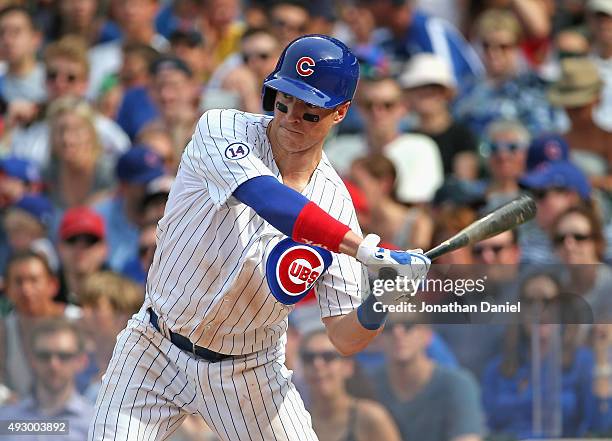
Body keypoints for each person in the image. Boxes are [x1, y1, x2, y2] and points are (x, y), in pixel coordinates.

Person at [89, 34, 431, 440]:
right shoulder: (222, 127)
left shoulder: (336, 204)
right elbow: (268, 198)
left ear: (339, 113)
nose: (290, 118)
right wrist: (361, 249)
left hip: (248, 370)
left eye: (309, 112)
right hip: (154, 347)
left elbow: (344, 336)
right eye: (284, 100)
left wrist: (382, 298)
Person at [374, 313, 485, 441]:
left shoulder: (457, 383)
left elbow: (468, 438)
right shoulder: (368, 383)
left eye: (408, 326)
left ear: (427, 335)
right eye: (388, 328)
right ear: (377, 338)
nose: (398, 334)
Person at [0, 318, 94, 440]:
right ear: (31, 359)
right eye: (44, 356)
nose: (53, 364)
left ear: (81, 361)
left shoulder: (94, 423)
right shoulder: (5, 419)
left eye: (63, 356)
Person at [300, 329, 402, 441]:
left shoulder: (372, 418)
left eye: (328, 356)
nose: (317, 364)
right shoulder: (296, 422)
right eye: (309, 358)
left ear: (348, 366)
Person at [399, 53, 479, 180]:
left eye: (434, 88)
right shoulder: (404, 137)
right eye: (418, 88)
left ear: (446, 94)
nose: (426, 93)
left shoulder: (462, 136)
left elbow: (464, 185)